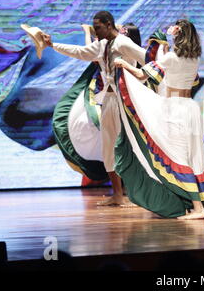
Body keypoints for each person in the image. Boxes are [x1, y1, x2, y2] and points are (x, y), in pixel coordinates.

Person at [112, 19, 204, 219]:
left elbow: (143, 75)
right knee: (191, 156)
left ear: (178, 34)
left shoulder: (170, 57)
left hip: (175, 108)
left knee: (178, 157)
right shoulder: (194, 57)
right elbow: (194, 80)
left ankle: (198, 209)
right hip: (191, 108)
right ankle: (192, 204)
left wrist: (123, 64)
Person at [42, 11, 146, 207]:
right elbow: (80, 52)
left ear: (109, 24)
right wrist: (52, 44)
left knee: (131, 147)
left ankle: (135, 193)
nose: (96, 31)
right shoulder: (103, 45)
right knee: (108, 148)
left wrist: (141, 80)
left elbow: (146, 59)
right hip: (108, 100)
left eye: (98, 27)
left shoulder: (123, 43)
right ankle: (117, 195)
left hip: (126, 100)